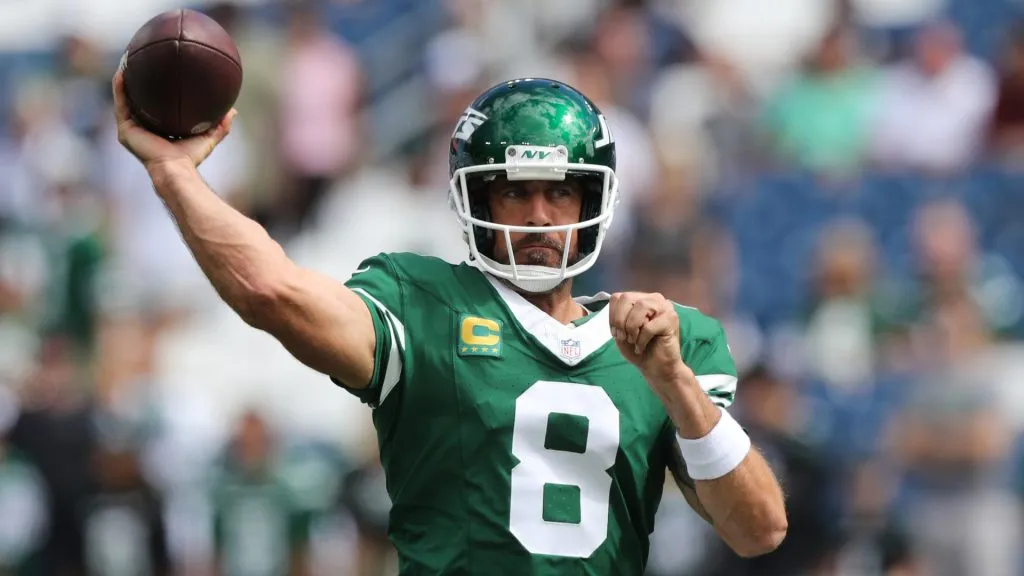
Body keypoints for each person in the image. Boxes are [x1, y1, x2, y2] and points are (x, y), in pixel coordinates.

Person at [111, 70, 787, 574]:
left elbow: (759, 529)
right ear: (474, 197)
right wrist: (174, 175)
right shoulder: (424, 302)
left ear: (597, 197)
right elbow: (270, 290)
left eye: (560, 190)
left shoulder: (672, 344)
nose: (542, 217)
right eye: (515, 193)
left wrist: (673, 382)